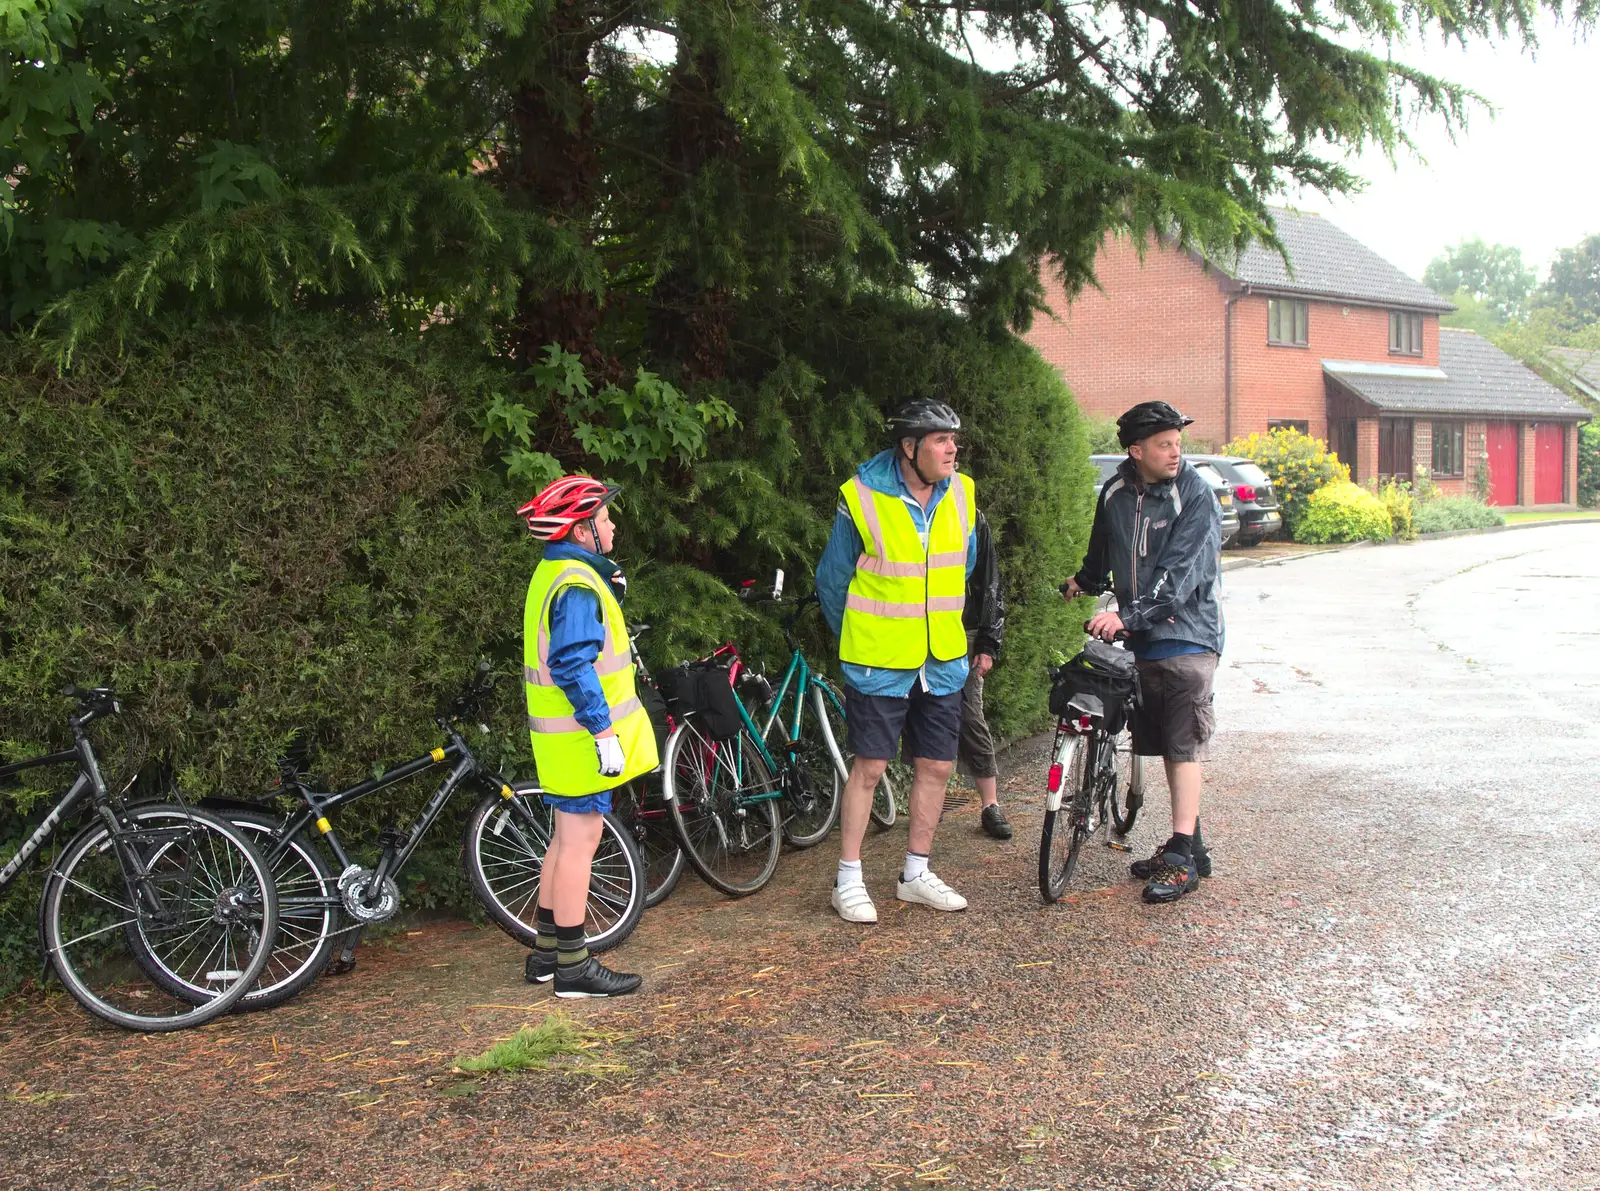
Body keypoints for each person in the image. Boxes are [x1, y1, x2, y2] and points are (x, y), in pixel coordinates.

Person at [816, 399, 978, 923]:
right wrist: (861, 637)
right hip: (878, 660)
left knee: (936, 765)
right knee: (871, 768)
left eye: (954, 439)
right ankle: (848, 879)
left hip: (941, 659)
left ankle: (915, 873)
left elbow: (964, 566)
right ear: (909, 448)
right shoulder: (860, 495)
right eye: (940, 440)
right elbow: (833, 581)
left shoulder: (963, 492)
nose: (952, 449)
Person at [1061, 401, 1223, 904]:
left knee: (1182, 743)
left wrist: (1124, 618)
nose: (1177, 452)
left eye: (1179, 443)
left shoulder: (1195, 494)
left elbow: (1178, 577)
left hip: (1187, 636)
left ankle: (1180, 859)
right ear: (1136, 451)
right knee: (1159, 742)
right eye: (1165, 445)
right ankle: (1189, 846)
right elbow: (1101, 552)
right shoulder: (1112, 491)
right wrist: (1081, 583)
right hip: (1143, 642)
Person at [518, 475, 658, 996]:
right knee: (581, 844)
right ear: (581, 532)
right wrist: (602, 731)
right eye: (602, 519)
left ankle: (547, 954)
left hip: (560, 739)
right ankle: (574, 969)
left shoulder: (557, 572)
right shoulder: (575, 587)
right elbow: (574, 664)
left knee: (562, 841)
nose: (611, 523)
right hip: (581, 737)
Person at [959, 508, 1010, 840]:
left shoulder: (968, 512)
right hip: (912, 633)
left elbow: (989, 577)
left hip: (964, 631)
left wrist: (989, 642)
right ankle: (925, 808)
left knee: (969, 716)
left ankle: (990, 804)